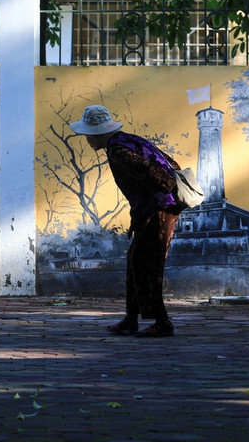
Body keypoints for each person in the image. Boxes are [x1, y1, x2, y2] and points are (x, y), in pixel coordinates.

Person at [69, 104, 182, 338]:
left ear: (98, 133)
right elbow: (172, 163)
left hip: (158, 210)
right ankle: (131, 320)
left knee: (148, 265)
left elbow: (157, 173)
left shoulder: (117, 150)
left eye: (88, 135)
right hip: (154, 209)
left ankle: (162, 323)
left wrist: (162, 192)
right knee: (135, 261)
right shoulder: (130, 140)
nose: (87, 140)